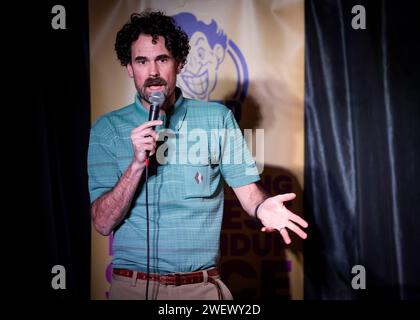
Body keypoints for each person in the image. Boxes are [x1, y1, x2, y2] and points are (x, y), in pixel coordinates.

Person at [88, 11, 308, 300]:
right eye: (142, 61)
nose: (153, 72)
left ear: (179, 63)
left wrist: (262, 207)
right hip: (132, 288)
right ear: (129, 67)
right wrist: (135, 165)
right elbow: (103, 223)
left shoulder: (217, 118)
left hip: (200, 289)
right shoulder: (107, 128)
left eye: (162, 59)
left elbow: (248, 192)